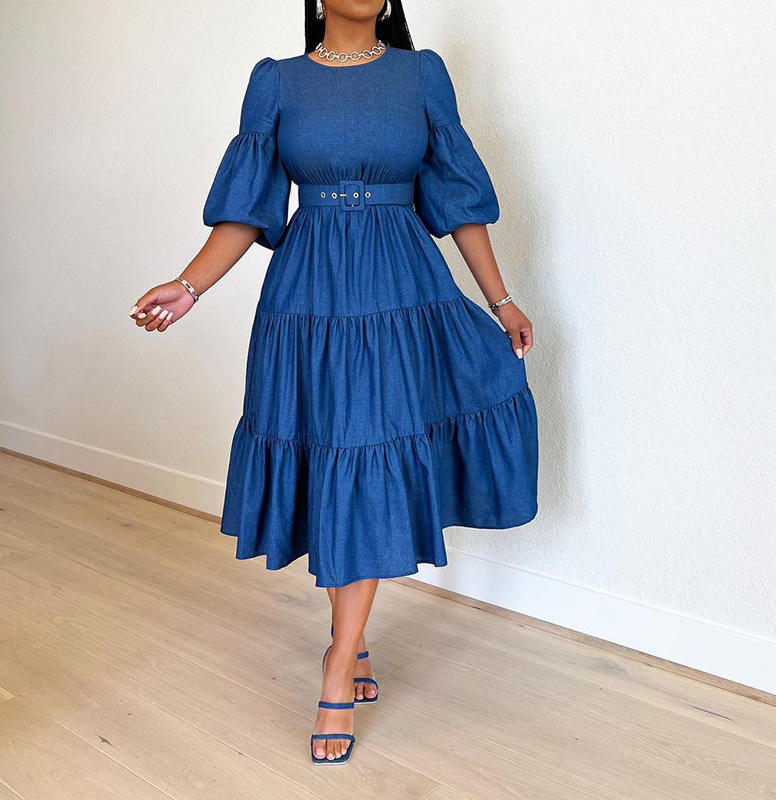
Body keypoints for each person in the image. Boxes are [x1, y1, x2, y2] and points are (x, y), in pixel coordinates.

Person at [128, 0, 538, 765]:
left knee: (368, 458)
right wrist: (188, 286)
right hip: (308, 296)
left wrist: (500, 299)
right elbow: (246, 210)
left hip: (399, 291)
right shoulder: (276, 81)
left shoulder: (421, 74)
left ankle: (339, 659)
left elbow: (457, 199)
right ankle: (351, 639)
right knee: (332, 457)